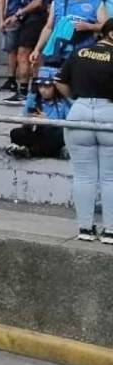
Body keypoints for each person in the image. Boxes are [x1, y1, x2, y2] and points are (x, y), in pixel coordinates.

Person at [55, 20, 113, 242]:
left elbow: (59, 81)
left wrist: (77, 101)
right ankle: (109, 231)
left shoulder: (80, 52)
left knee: (84, 176)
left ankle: (85, 229)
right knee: (110, 177)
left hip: (79, 110)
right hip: (109, 111)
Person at [31, 0, 106, 69]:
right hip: (57, 54)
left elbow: (106, 26)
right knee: (52, 83)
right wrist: (37, 50)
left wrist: (89, 26)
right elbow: (48, 28)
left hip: (83, 54)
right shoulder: (57, 1)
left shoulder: (95, 3)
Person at [0, 0, 46, 100]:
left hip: (34, 21)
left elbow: (37, 2)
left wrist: (19, 13)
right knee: (27, 55)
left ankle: (25, 92)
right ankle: (30, 91)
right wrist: (16, 17)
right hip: (29, 20)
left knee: (24, 55)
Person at [6, 72, 70, 159]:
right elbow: (24, 121)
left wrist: (48, 121)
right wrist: (28, 121)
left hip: (53, 134)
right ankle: (28, 150)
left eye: (47, 87)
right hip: (37, 133)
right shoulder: (34, 100)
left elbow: (68, 125)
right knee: (16, 132)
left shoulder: (63, 103)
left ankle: (29, 151)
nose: (43, 90)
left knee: (58, 135)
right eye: (40, 87)